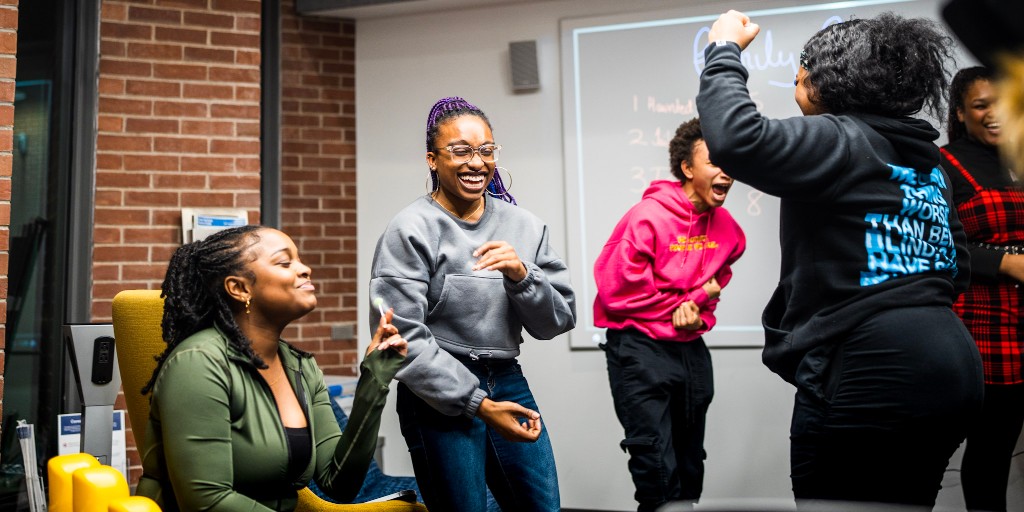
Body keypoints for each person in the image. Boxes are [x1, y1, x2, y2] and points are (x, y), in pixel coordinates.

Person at [695, 10, 984, 508]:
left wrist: (723, 51)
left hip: (875, 363)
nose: (795, 86)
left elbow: (736, 140)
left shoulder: (840, 135)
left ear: (823, 79)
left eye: (798, 75)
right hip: (950, 361)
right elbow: (955, 261)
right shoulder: (927, 159)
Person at [368, 96, 576, 512]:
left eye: (486, 151)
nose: (476, 163)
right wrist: (478, 403)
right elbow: (403, 337)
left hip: (506, 377)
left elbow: (557, 320)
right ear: (432, 160)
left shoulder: (524, 226)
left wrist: (521, 275)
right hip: (436, 389)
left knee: (541, 506)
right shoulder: (410, 229)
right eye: (460, 151)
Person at [136, 225, 408, 511]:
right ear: (239, 288)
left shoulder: (302, 367)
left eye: (300, 259)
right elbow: (206, 501)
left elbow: (338, 483)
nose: (305, 269)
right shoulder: (198, 362)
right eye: (284, 262)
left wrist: (375, 378)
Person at [593, 117, 746, 511]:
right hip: (640, 350)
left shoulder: (728, 229)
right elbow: (617, 290)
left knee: (690, 465)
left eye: (729, 162)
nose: (725, 172)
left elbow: (714, 288)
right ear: (687, 168)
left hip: (691, 350)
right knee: (656, 467)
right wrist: (690, 300)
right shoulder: (647, 217)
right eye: (713, 162)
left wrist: (699, 316)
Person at [941, 66, 1024, 512]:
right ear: (960, 112)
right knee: (990, 453)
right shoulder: (942, 163)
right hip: (984, 322)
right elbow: (929, 246)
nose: (995, 115)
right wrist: (1005, 262)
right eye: (980, 105)